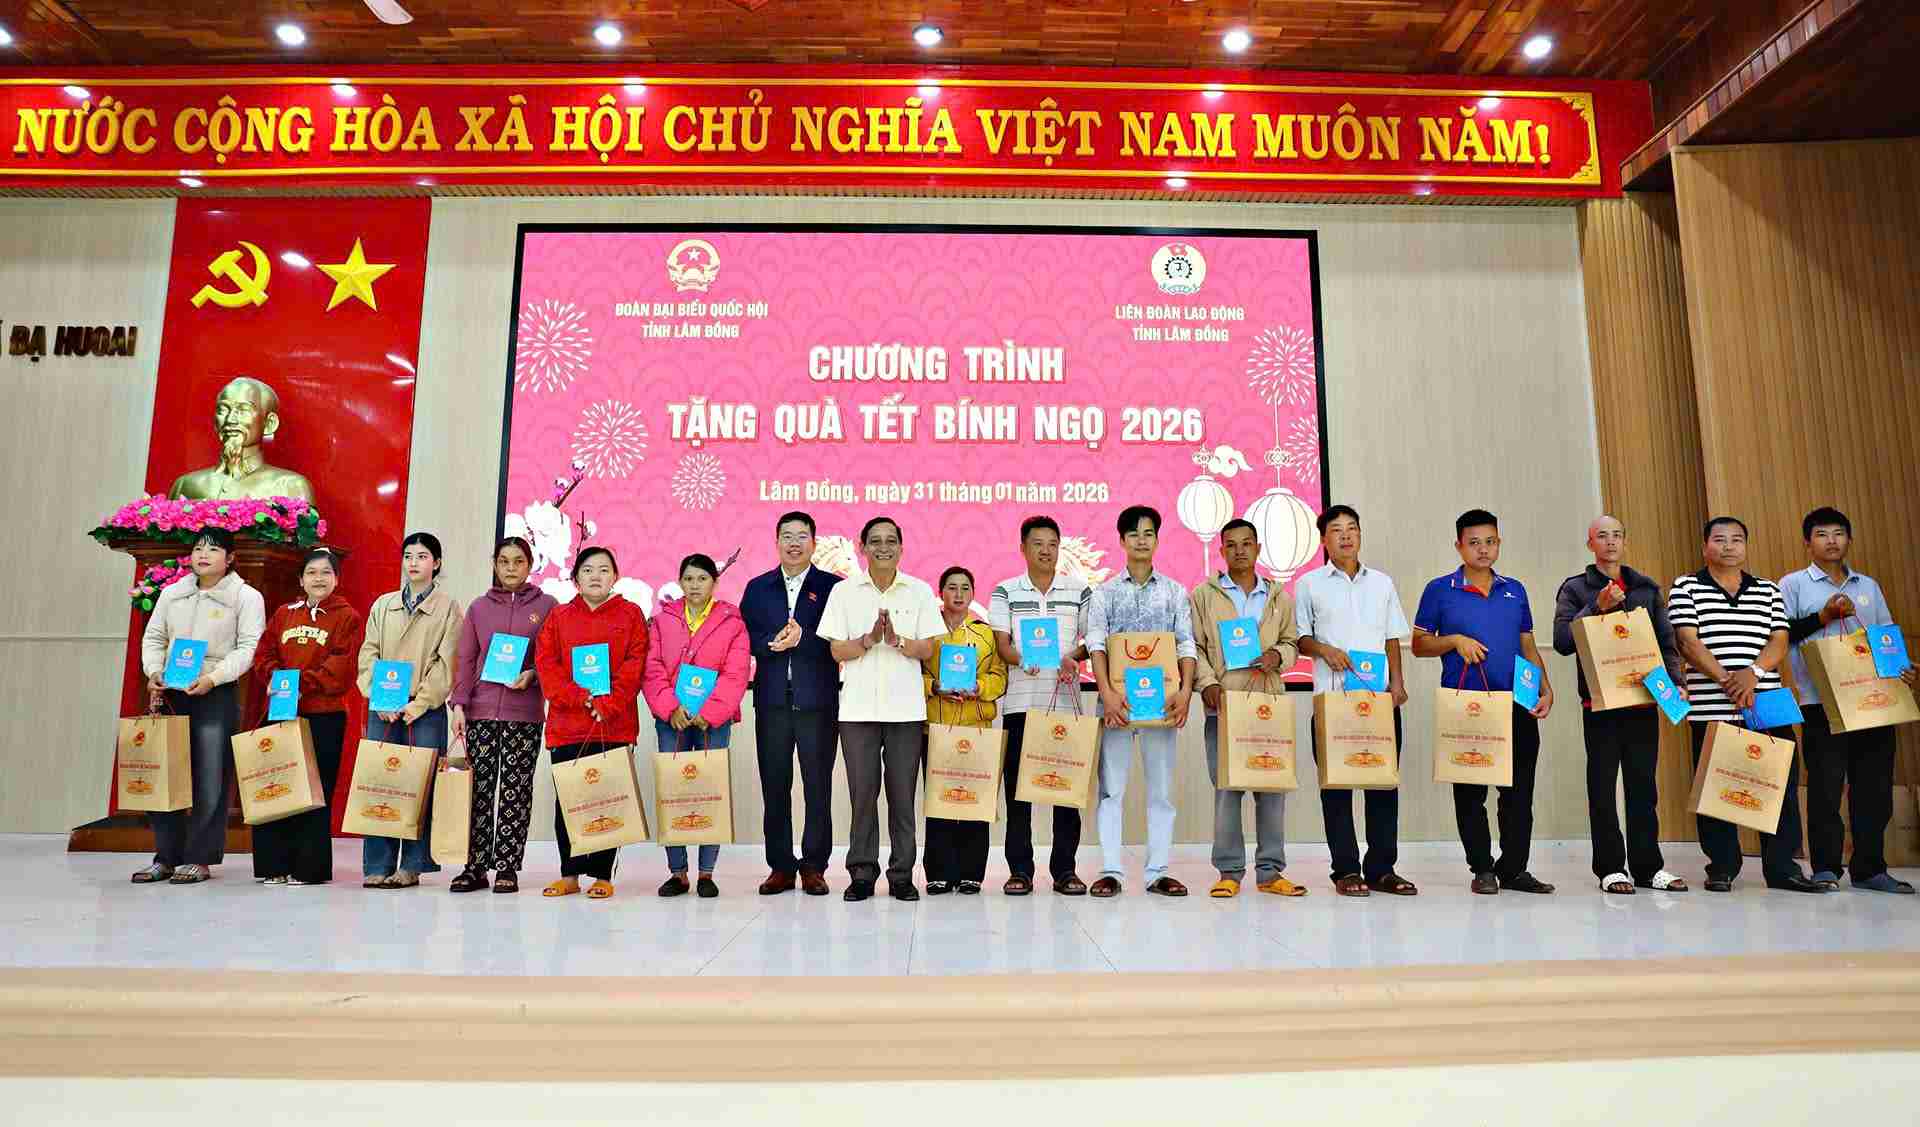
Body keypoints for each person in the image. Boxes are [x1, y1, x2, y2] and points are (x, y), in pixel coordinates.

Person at [1668, 517, 1820, 893]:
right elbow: (1688, 642)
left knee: (1778, 783)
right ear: (1706, 546)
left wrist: (1751, 674)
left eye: (1737, 540)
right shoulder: (1686, 586)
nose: (1729, 546)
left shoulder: (1767, 589)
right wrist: (1728, 681)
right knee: (1716, 788)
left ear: (1746, 546)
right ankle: (1722, 866)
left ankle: (1783, 868)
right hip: (1711, 705)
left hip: (1766, 700)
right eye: (1720, 540)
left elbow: (1780, 642)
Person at [1413, 509, 1556, 896]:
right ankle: (1482, 868)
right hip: (1468, 707)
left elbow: (1527, 643)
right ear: (1459, 545)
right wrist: (1454, 640)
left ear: (1499, 543)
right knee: (1471, 792)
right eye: (1474, 542)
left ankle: (1514, 869)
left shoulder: (1516, 590)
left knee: (1519, 792)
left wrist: (1545, 686)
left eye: (1490, 541)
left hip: (1517, 702)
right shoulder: (1440, 589)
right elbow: (1419, 645)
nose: (1483, 549)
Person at [1780, 507, 1917, 894]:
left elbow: (1884, 634)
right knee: (1826, 786)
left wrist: (1901, 666)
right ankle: (1825, 867)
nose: (1832, 541)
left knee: (1873, 786)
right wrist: (1822, 617)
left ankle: (1870, 867)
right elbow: (1782, 635)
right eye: (1822, 534)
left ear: (1849, 539)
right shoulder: (1793, 585)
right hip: (1820, 699)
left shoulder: (1868, 586)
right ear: (1808, 543)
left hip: (1874, 698)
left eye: (1839, 533)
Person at [1552, 516, 1690, 895]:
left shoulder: (1646, 587)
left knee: (1644, 786)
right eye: (1602, 536)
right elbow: (1563, 640)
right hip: (1599, 702)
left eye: (1616, 535)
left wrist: (1676, 682)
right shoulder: (1575, 588)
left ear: (1625, 541)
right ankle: (1611, 868)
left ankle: (1648, 866)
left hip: (1643, 698)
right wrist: (1595, 607)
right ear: (1589, 543)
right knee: (1602, 785)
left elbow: (1666, 640)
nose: (1610, 542)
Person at [818, 516, 943, 902]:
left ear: (901, 548)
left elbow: (931, 648)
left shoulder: (919, 591)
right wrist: (871, 639)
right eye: (875, 541)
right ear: (862, 546)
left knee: (903, 798)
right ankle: (862, 874)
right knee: (862, 798)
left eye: (891, 541)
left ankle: (902, 875)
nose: (883, 547)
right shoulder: (844, 592)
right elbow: (837, 649)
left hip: (906, 712)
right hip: (856, 712)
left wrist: (899, 640)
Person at [1296, 506, 1418, 897]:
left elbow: (1391, 639)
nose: (1346, 536)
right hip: (1332, 701)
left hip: (1378, 700)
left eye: (1352, 529)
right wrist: (1324, 649)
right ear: (1324, 541)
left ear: (1360, 535)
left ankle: (1383, 868)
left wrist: (1397, 684)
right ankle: (1346, 870)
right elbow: (1300, 639)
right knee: (1337, 788)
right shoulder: (1309, 584)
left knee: (1383, 784)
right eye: (1336, 530)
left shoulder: (1381, 583)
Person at [134, 528, 265, 885]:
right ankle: (165, 856)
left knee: (210, 778)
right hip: (173, 691)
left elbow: (249, 647)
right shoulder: (173, 593)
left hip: (214, 692)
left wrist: (215, 677)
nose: (203, 555)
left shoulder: (245, 596)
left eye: (213, 549)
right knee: (165, 774)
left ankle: (199, 858)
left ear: (231, 558)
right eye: (197, 548)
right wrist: (154, 671)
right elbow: (155, 637)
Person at [1088, 505, 1198, 898]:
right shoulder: (1104, 593)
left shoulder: (1174, 592)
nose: (1141, 540)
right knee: (1111, 790)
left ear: (1157, 539)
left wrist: (1185, 691)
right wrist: (1106, 693)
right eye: (1133, 533)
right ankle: (1112, 871)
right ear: (1121, 541)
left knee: (1161, 791)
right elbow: (1096, 643)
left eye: (1148, 533)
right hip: (1117, 705)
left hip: (1163, 704)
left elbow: (1186, 642)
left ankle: (1158, 872)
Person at [1190, 519, 1303, 898]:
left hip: (1268, 705)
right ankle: (1229, 872)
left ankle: (1270, 872)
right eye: (1232, 545)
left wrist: (1278, 655)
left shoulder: (1279, 597)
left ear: (1258, 548)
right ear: (1221, 551)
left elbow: (1292, 642)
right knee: (1227, 789)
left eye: (1247, 544)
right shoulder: (1203, 596)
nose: (1240, 550)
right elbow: (1195, 647)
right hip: (1223, 704)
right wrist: (1207, 685)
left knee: (1272, 788)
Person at [534, 546, 649, 900]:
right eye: (587, 570)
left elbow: (635, 664)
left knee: (607, 800)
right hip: (568, 723)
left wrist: (609, 703)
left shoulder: (631, 615)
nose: (595, 576)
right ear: (576, 579)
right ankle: (568, 874)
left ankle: (602, 874)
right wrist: (579, 697)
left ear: (615, 576)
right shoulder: (559, 617)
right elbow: (546, 663)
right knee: (569, 801)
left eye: (603, 570)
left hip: (612, 723)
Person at [987, 516, 1092, 896]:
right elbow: (1002, 645)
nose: (1045, 550)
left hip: (1065, 702)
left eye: (1052, 543)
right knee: (1018, 792)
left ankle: (1065, 870)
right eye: (1037, 544)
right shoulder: (1005, 591)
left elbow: (1093, 638)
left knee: (1066, 791)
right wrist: (1019, 658)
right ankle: (1020, 871)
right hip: (1020, 703)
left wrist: (1072, 657)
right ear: (1023, 548)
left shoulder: (1079, 590)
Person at [447, 536, 557, 896]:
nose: (511, 568)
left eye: (518, 562)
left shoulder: (548, 606)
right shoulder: (479, 608)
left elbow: (553, 657)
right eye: (504, 561)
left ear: (531, 564)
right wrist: (459, 704)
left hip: (523, 714)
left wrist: (534, 676)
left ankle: (507, 866)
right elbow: (465, 658)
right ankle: (474, 866)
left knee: (515, 791)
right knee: (478, 790)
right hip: (480, 712)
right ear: (495, 564)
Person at [740, 511, 842, 896]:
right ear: (777, 541)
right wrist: (770, 641)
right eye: (787, 535)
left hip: (817, 702)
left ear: (814, 542)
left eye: (802, 535)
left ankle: (814, 866)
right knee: (775, 785)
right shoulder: (757, 587)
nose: (794, 542)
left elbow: (843, 639)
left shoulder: (833, 587)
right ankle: (780, 865)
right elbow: (744, 637)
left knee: (818, 787)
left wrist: (807, 638)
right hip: (771, 703)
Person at [355, 532, 463, 889]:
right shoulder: (383, 605)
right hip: (383, 710)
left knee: (420, 785)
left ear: (437, 563)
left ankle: (412, 864)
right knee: (381, 783)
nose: (413, 562)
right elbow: (368, 654)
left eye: (422, 556)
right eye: (408, 556)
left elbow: (447, 663)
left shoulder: (448, 608)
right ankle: (377, 863)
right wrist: (380, 699)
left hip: (423, 711)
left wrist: (417, 704)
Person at [249, 547, 360, 886]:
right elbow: (264, 652)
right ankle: (274, 865)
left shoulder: (347, 616)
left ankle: (308, 868)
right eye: (312, 572)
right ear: (301, 579)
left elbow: (341, 666)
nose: (319, 578)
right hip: (280, 711)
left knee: (314, 791)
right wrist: (275, 680)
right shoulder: (284, 613)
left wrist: (302, 686)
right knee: (275, 787)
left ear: (336, 579)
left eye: (326, 572)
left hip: (323, 716)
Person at [643, 553, 751, 898]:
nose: (694, 586)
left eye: (701, 579)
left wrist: (712, 711)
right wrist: (669, 708)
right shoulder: (662, 621)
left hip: (712, 722)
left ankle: (706, 872)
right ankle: (677, 872)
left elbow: (736, 674)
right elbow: (653, 668)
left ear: (714, 583)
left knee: (709, 790)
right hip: (670, 720)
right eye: (688, 579)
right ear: (680, 582)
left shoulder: (732, 622)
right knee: (672, 789)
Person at [920, 566, 1009, 895]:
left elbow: (1000, 676)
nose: (958, 594)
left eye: (965, 588)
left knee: (974, 803)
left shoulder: (985, 633)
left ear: (973, 594)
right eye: (952, 588)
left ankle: (972, 872)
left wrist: (979, 686)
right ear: (940, 592)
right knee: (940, 803)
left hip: (977, 728)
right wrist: (935, 686)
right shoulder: (926, 629)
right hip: (936, 729)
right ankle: (938, 872)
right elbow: (910, 673)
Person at [166, 376, 316, 501]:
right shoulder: (185, 485)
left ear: (269, 423)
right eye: (223, 410)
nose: (231, 420)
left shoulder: (291, 487)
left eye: (243, 410)